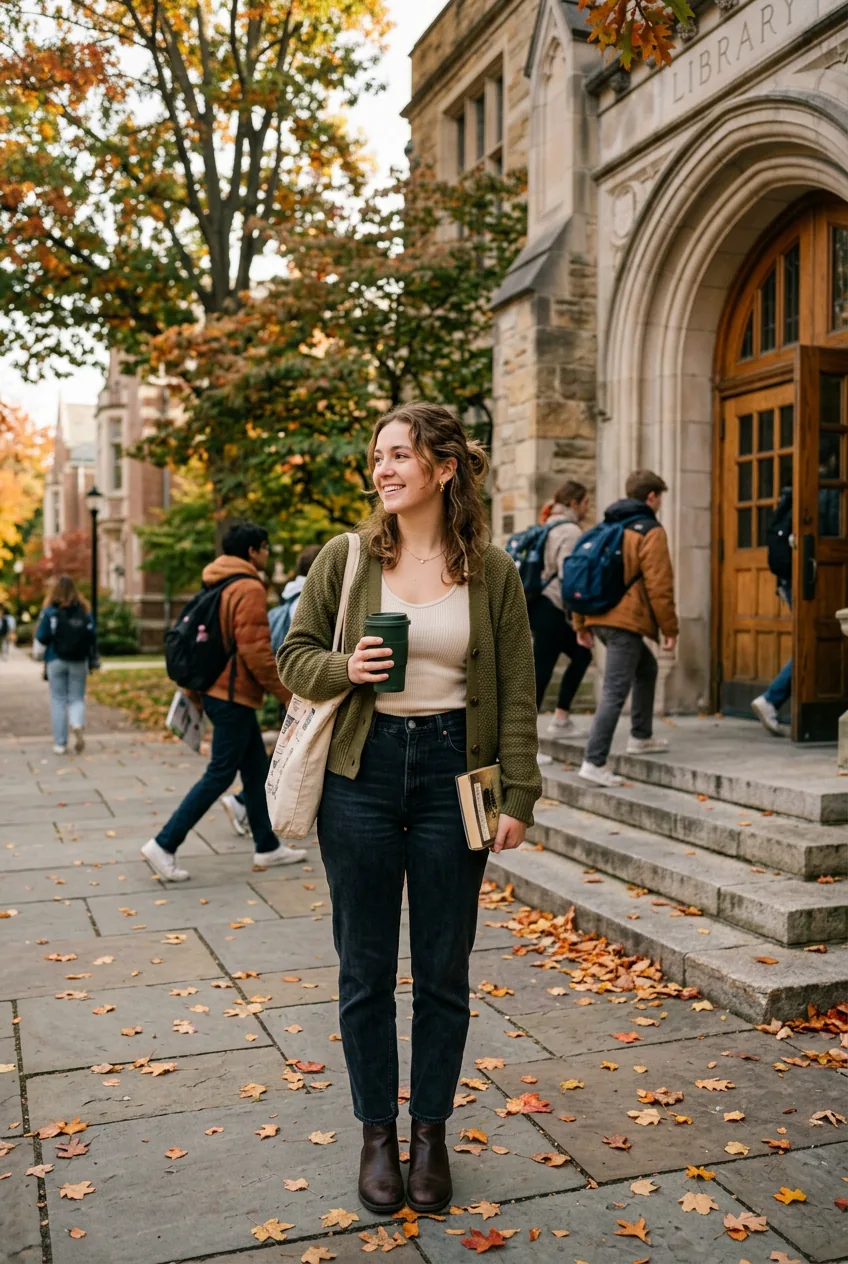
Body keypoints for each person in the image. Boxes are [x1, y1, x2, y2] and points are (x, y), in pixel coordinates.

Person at [278, 402, 541, 1217]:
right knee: (363, 969)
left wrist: (519, 793)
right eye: (379, 457)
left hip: (453, 774)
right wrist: (345, 667)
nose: (384, 469)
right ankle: (376, 1136)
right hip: (362, 771)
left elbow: (519, 693)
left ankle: (430, 1135)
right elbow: (294, 654)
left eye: (400, 455)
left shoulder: (490, 571)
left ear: (444, 467)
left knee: (444, 969)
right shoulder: (348, 557)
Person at [142, 521, 306, 881]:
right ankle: (164, 844)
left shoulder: (218, 581)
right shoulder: (247, 586)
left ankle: (267, 847)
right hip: (230, 693)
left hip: (221, 691)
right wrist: (289, 695)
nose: (267, 554)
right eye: (265, 547)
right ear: (252, 551)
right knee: (220, 773)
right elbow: (256, 652)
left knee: (254, 771)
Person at [573, 470, 679, 787]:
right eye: (660, 497)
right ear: (651, 497)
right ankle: (593, 761)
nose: (660, 504)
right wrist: (669, 629)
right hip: (624, 621)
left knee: (645, 670)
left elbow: (581, 575)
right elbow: (660, 586)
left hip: (599, 617)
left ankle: (640, 736)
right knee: (615, 691)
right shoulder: (650, 531)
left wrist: (580, 623)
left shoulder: (606, 526)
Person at [221, 543, 322, 837]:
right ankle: (248, 804)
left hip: (289, 686)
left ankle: (251, 811)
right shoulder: (307, 600)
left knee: (287, 750)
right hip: (300, 690)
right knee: (294, 753)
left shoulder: (289, 597)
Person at [530, 481, 593, 736]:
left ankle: (561, 719)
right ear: (574, 503)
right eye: (586, 502)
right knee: (541, 674)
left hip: (540, 604)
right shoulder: (569, 531)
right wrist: (580, 612)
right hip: (553, 606)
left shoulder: (548, 524)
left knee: (579, 656)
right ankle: (526, 742)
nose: (588, 508)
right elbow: (570, 575)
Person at [35, 576, 96, 755]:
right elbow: (92, 636)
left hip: (56, 659)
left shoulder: (50, 611)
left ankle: (60, 743)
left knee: (58, 700)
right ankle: (77, 722)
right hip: (79, 660)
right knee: (76, 697)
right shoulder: (84, 611)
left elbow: (41, 636)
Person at [752, 484, 793, 737]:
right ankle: (771, 699)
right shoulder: (814, 494)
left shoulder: (789, 500)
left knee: (813, 640)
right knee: (812, 641)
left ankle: (772, 699)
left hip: (788, 580)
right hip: (806, 577)